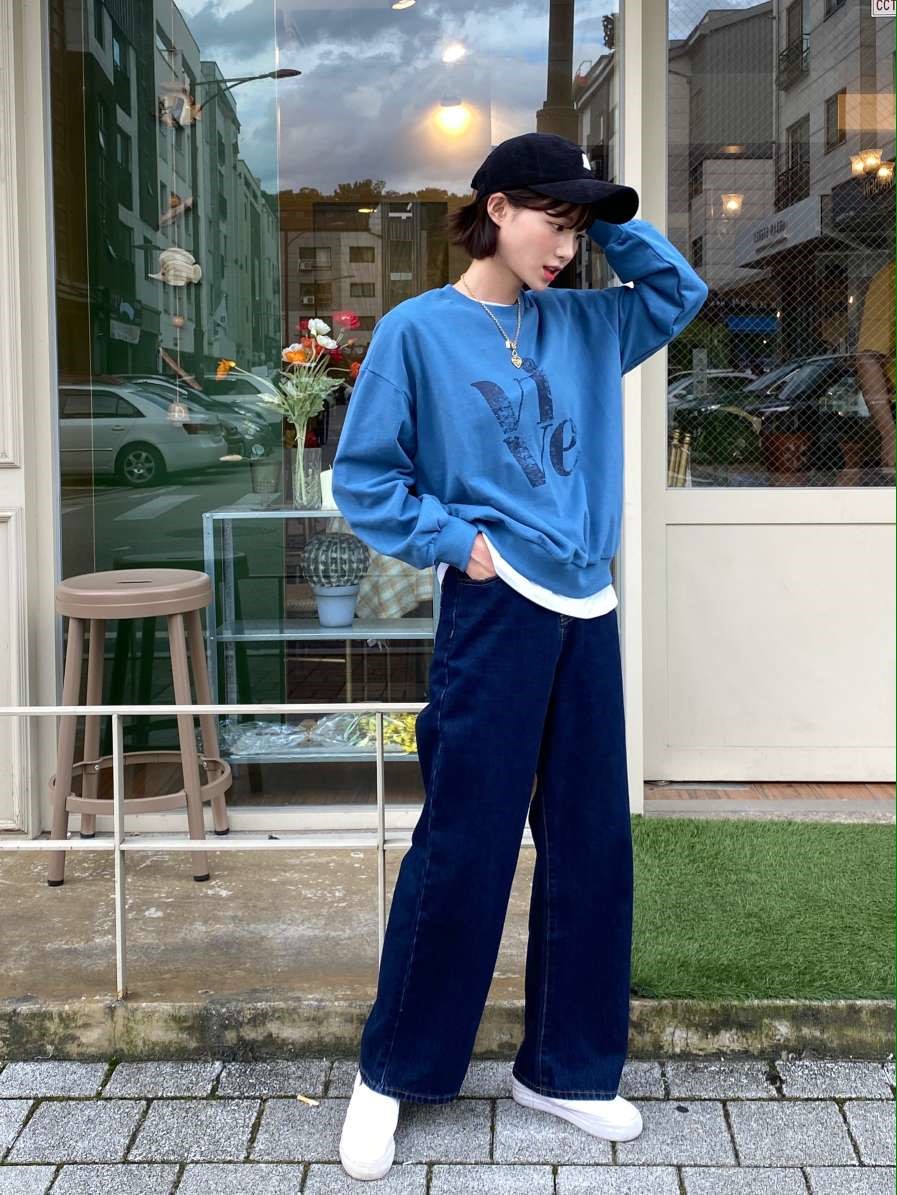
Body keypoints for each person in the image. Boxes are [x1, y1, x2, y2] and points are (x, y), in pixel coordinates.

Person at [330, 131, 709, 1181]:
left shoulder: (588, 323)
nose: (566, 246)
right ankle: (390, 1071)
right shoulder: (418, 331)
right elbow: (365, 478)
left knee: (591, 845)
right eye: (554, 219)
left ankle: (566, 1071)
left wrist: (610, 218)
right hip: (496, 605)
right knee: (466, 841)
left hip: (588, 602)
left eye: (580, 229)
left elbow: (678, 294)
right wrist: (462, 545)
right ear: (494, 208)